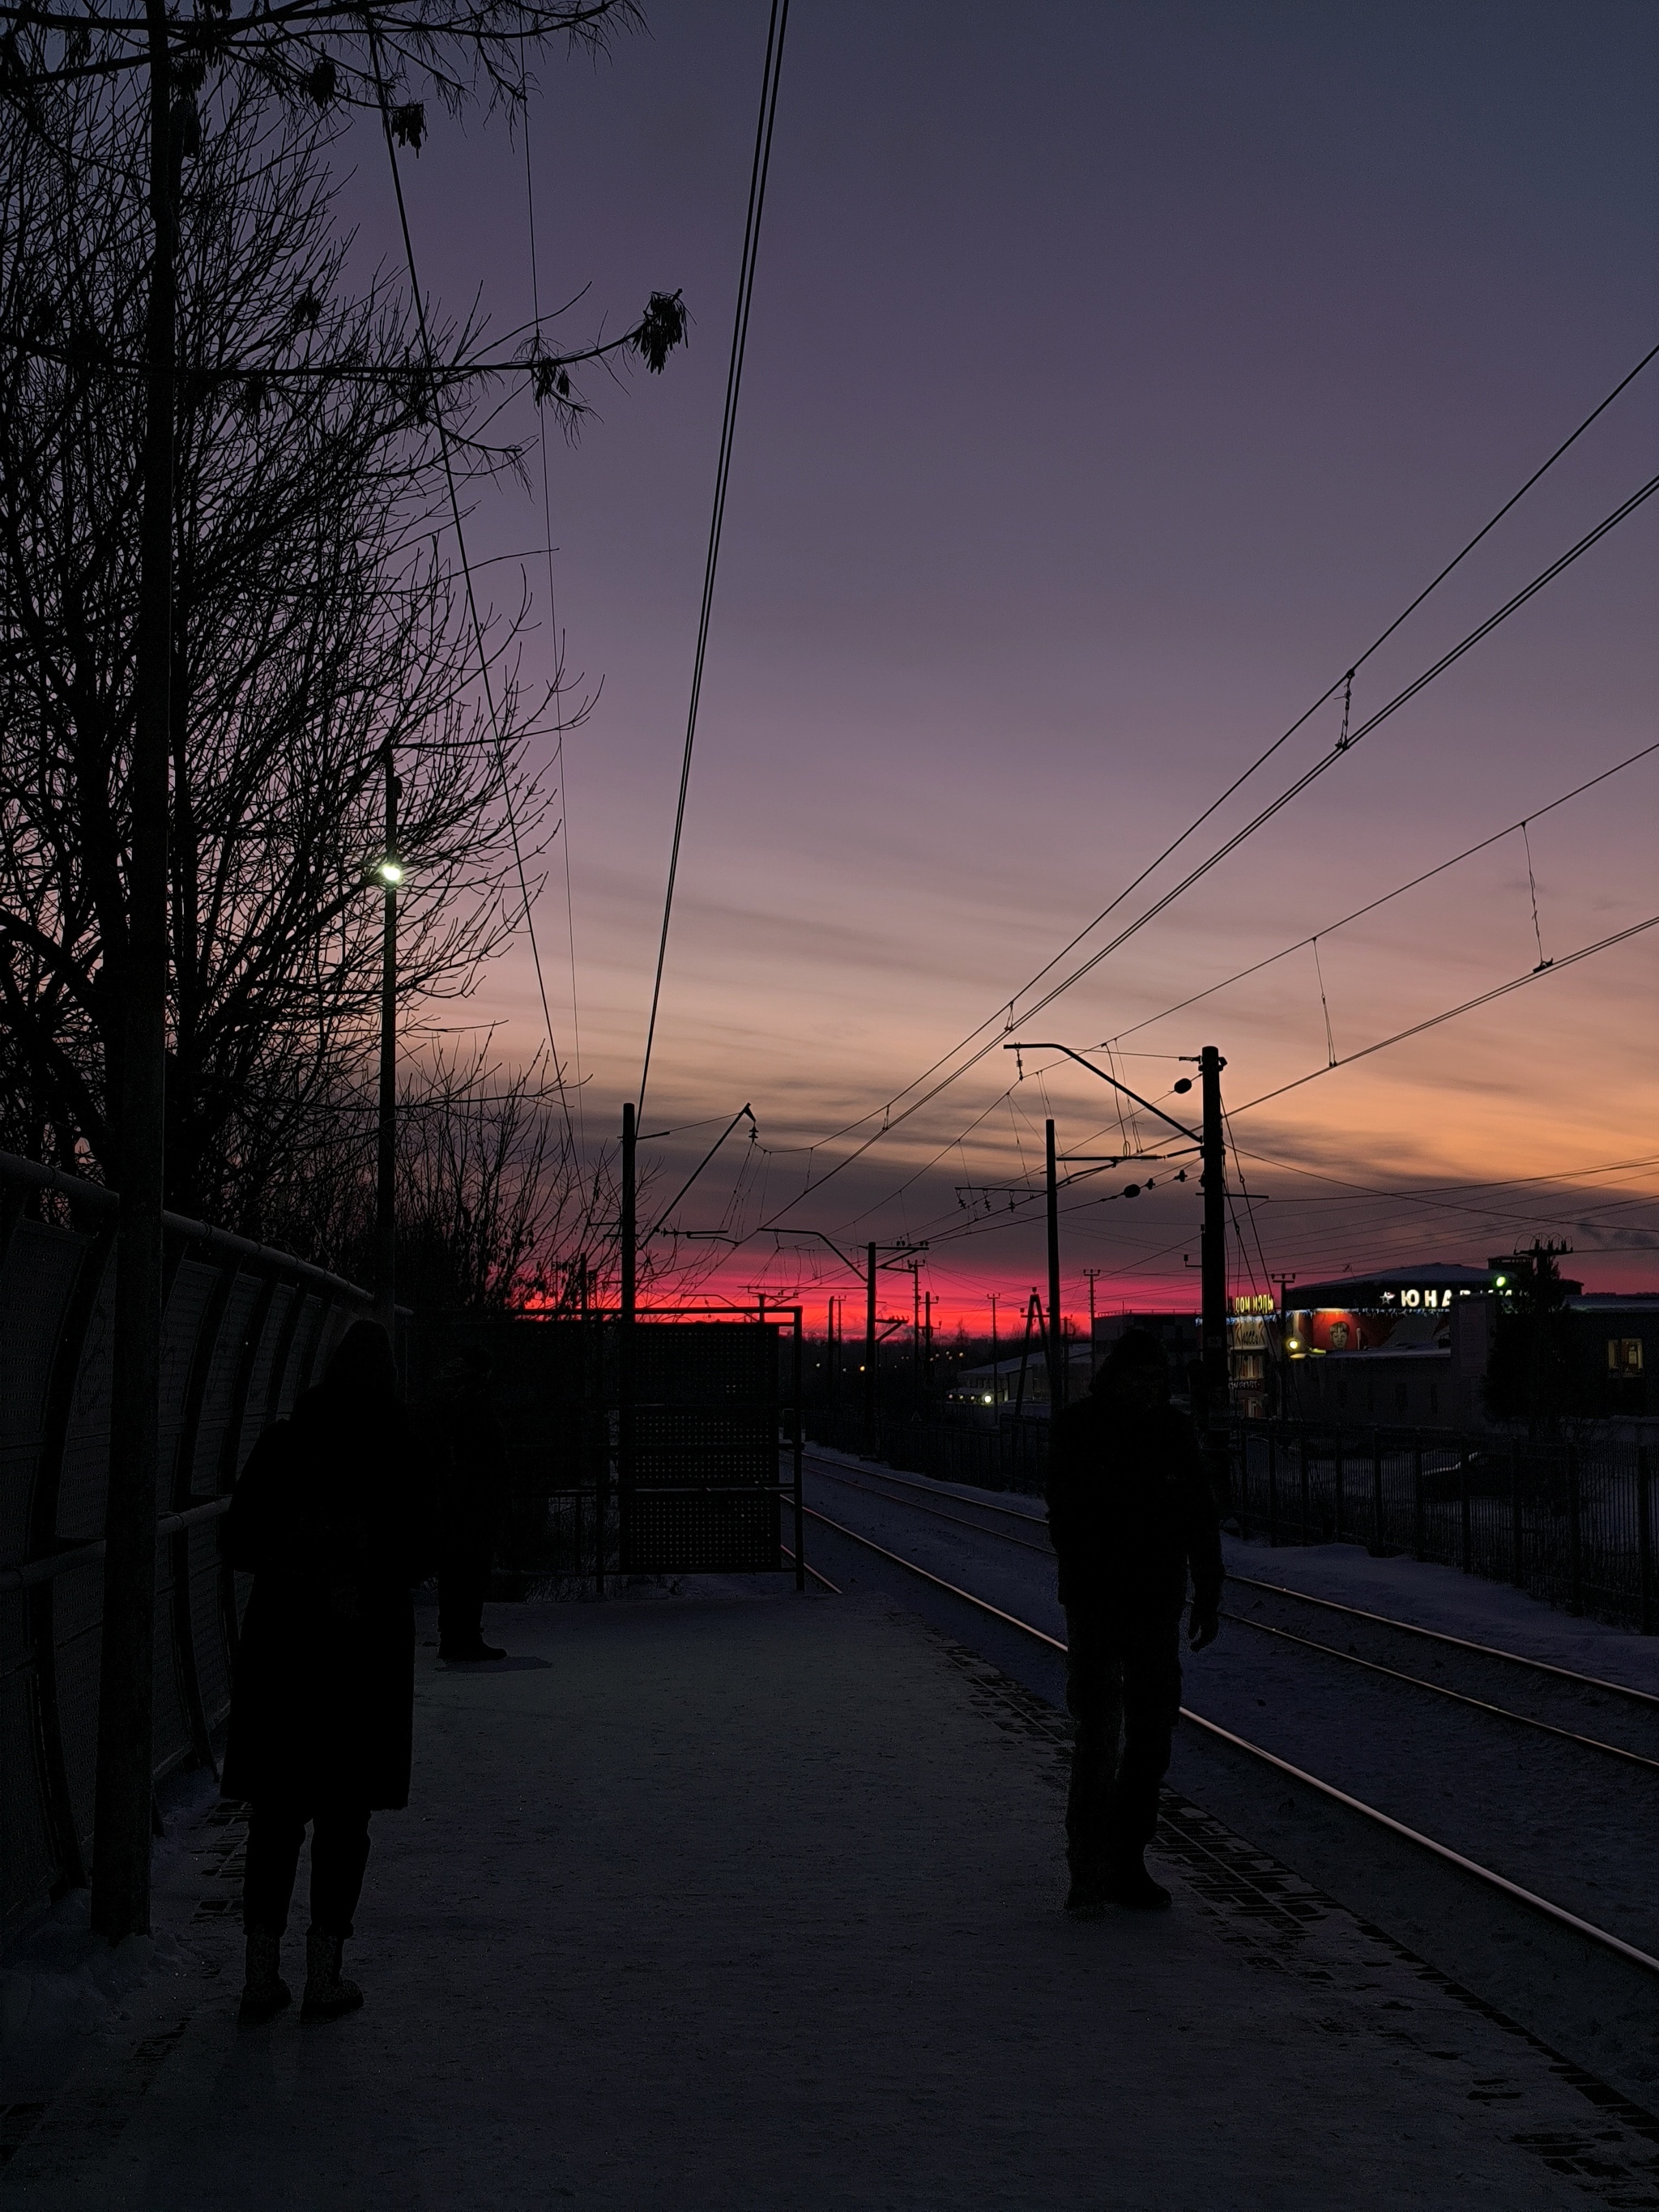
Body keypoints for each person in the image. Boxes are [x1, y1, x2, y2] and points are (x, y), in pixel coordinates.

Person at [221, 1318, 438, 2025]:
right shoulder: (401, 1453)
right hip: (362, 1659)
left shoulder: (286, 1443)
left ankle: (260, 1972)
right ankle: (325, 1971)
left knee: (277, 1811)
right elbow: (421, 1552)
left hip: (284, 1652)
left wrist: (301, 1565)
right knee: (346, 1813)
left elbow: (240, 1538)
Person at [1046, 1328, 1222, 1916]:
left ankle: (1119, 1861)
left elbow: (1198, 1511)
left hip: (1145, 1603)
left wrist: (1208, 1587)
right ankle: (1096, 1868)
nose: (1149, 1388)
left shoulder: (1156, 1432)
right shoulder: (1090, 1429)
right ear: (1117, 1376)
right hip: (1106, 1604)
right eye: (1140, 1377)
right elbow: (1068, 1516)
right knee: (1102, 1734)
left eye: (1156, 1379)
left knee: (1146, 1736)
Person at [434, 1345, 509, 1663]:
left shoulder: (452, 1401)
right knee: (473, 1566)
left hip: (459, 1497)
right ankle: (464, 1636)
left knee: (456, 1567)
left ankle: (454, 1635)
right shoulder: (476, 1404)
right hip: (475, 1498)